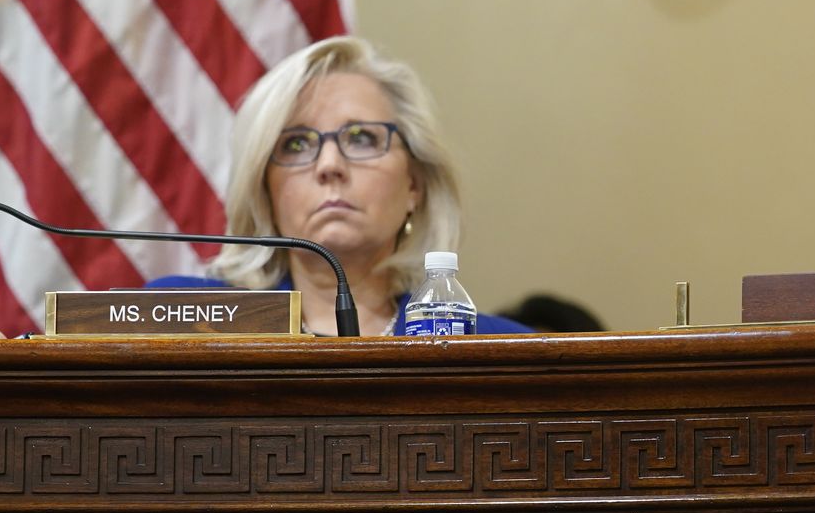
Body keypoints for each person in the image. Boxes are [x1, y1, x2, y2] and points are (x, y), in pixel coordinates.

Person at [150, 36, 531, 336]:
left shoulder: (500, 350)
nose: (329, 165)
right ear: (264, 191)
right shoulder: (178, 319)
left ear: (415, 184)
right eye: (296, 144)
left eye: (361, 138)